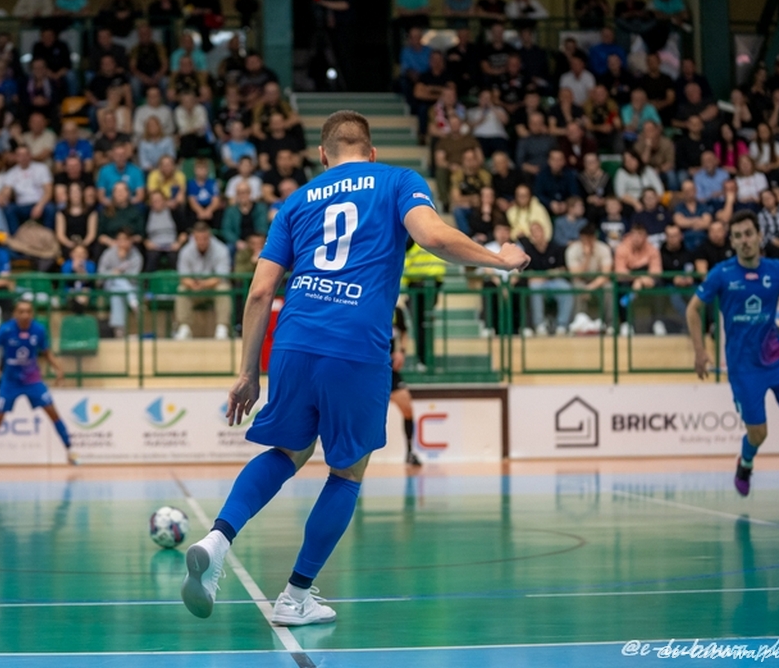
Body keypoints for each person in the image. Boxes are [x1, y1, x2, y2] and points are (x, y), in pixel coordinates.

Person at [179, 110, 529, 625]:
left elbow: (259, 292)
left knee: (289, 451)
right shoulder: (398, 181)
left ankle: (217, 539)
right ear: (371, 151)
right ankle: (295, 597)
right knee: (347, 471)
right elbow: (432, 237)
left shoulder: (297, 201)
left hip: (293, 341)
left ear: (323, 155)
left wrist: (248, 373)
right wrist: (499, 259)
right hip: (355, 344)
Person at [687, 212, 779, 497]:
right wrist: (700, 351)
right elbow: (693, 309)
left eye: (749, 234)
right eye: (738, 236)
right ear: (732, 241)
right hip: (743, 369)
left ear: (759, 236)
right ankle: (746, 462)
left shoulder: (776, 270)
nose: (744, 240)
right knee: (759, 433)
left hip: (776, 358)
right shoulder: (722, 274)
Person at [0, 298, 76, 471]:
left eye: (28, 311)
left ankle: (70, 451)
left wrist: (58, 368)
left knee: (53, 413)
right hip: (10, 382)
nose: (25, 315)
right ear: (15, 313)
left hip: (33, 380)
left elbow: (46, 352)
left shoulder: (38, 330)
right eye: (21, 311)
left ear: (32, 313)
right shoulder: (6, 329)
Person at [174, 222, 232, 340]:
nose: (201, 242)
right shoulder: (186, 251)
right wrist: (192, 284)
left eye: (204, 238)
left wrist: (204, 284)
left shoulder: (221, 249)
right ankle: (184, 327)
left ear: (209, 236)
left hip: (213, 288)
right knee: (181, 289)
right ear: (193, 237)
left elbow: (222, 276)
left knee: (224, 288)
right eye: (198, 239)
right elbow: (183, 277)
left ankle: (222, 328)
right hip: (194, 288)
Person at [98, 228, 142, 338]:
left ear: (131, 241)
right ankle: (133, 301)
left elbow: (134, 277)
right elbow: (100, 274)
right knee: (115, 280)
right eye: (120, 239)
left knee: (117, 292)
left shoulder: (136, 256)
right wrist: (112, 273)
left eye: (126, 239)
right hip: (109, 285)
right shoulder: (109, 253)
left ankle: (119, 331)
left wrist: (119, 272)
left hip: (130, 286)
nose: (123, 242)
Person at [390, 304, 420, 466]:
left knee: (407, 408)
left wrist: (401, 351)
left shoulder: (396, 310)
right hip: (370, 368)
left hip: (390, 368)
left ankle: (410, 451)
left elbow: (404, 331)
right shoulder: (368, 304)